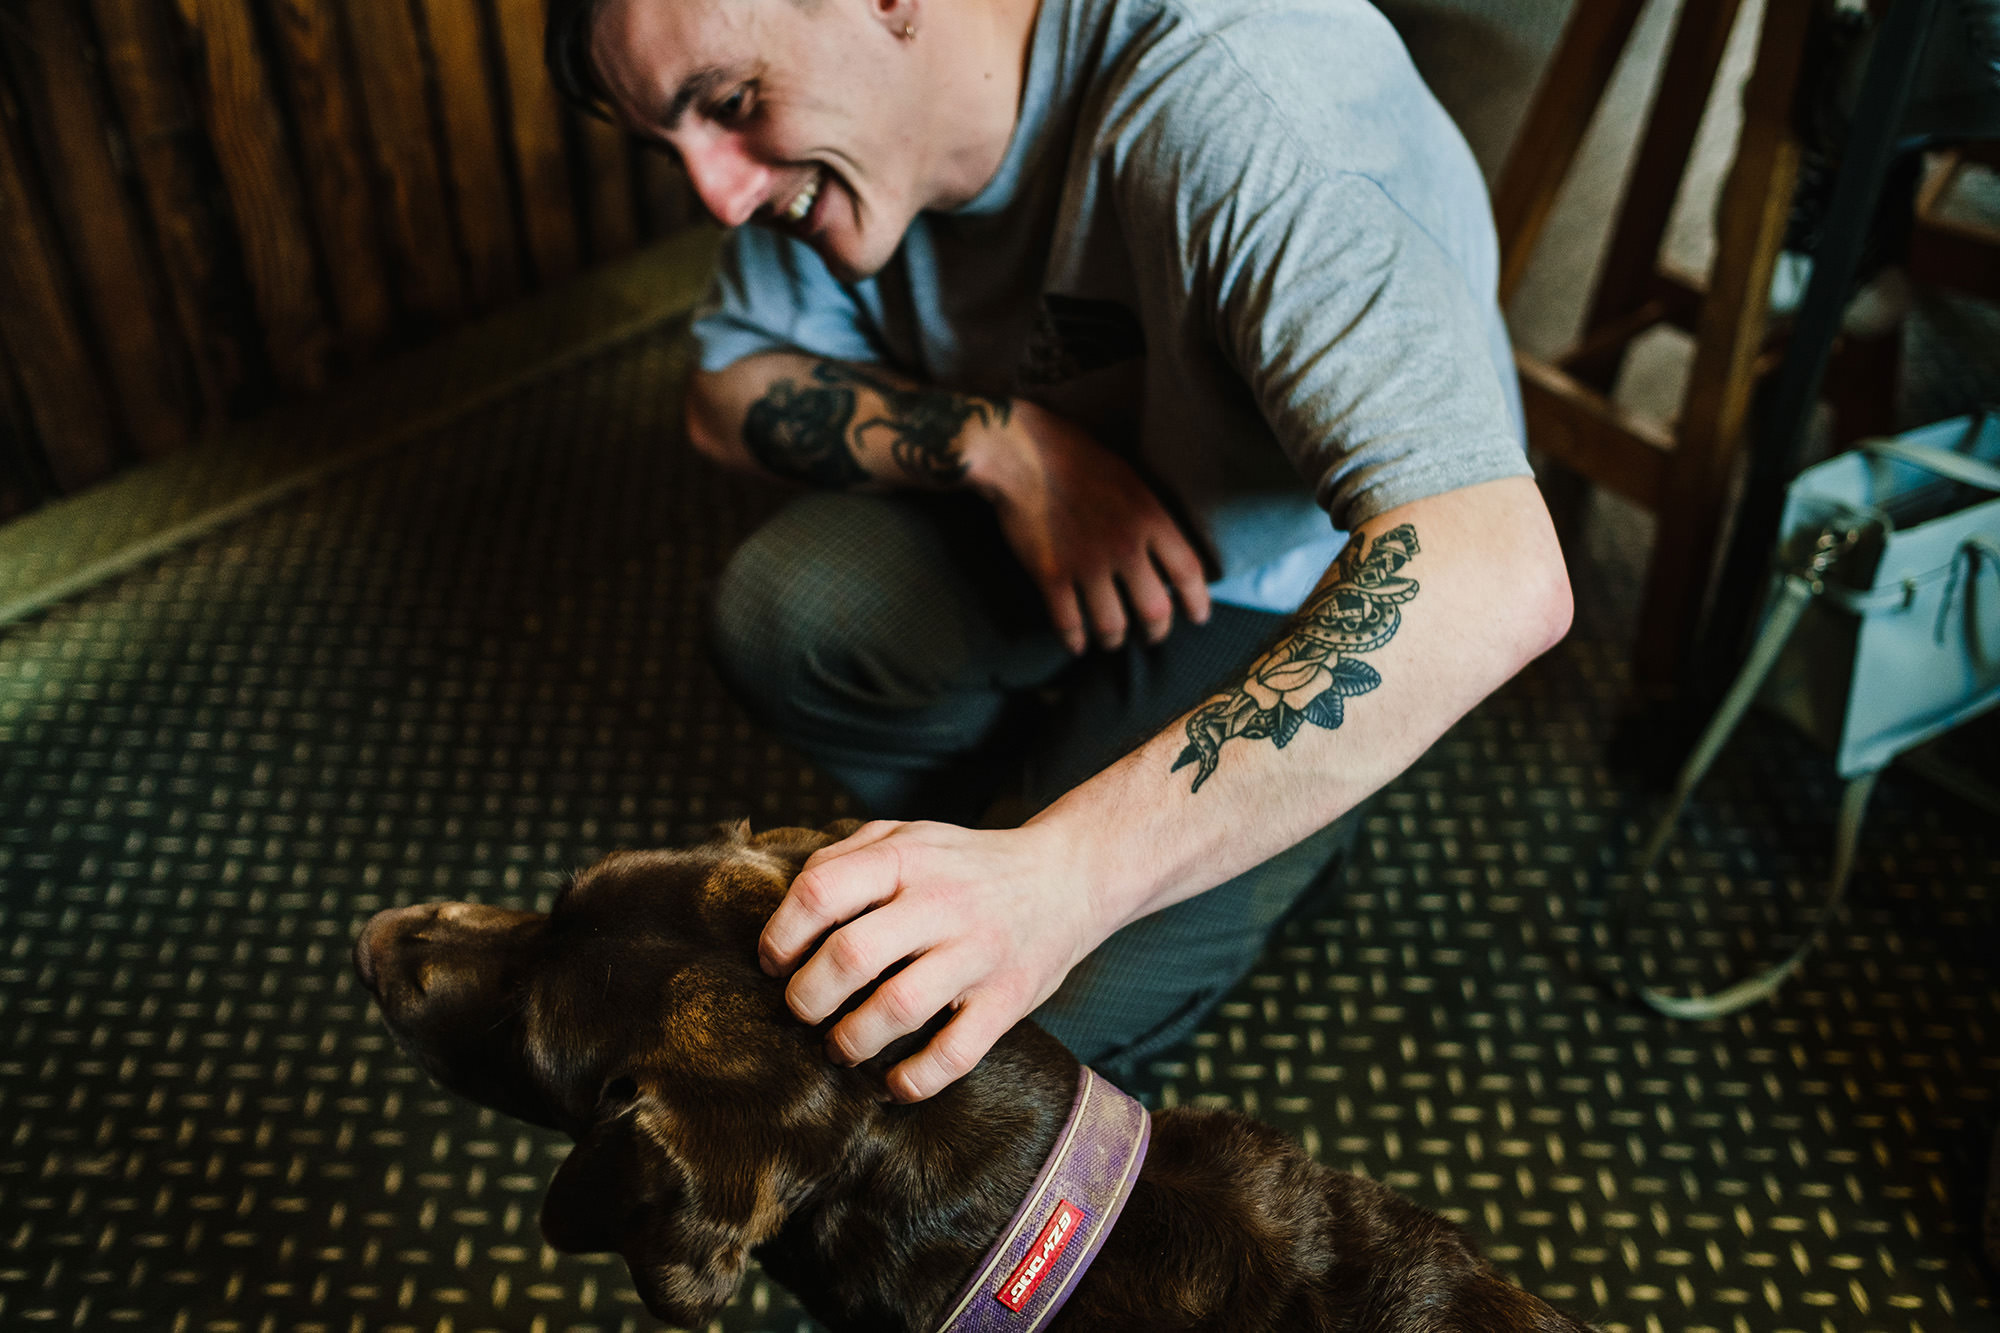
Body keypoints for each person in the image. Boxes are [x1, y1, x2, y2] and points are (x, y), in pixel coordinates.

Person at [545, 0, 1573, 1103]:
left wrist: (1062, 877)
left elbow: (1496, 572)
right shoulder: (819, 153)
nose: (718, 193)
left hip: (1291, 587)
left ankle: (1250, 829)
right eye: (671, 143)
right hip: (1054, 516)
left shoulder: (1248, 97)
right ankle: (1068, 806)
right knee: (785, 615)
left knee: (985, 1048)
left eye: (732, 104)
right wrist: (1003, 448)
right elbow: (720, 391)